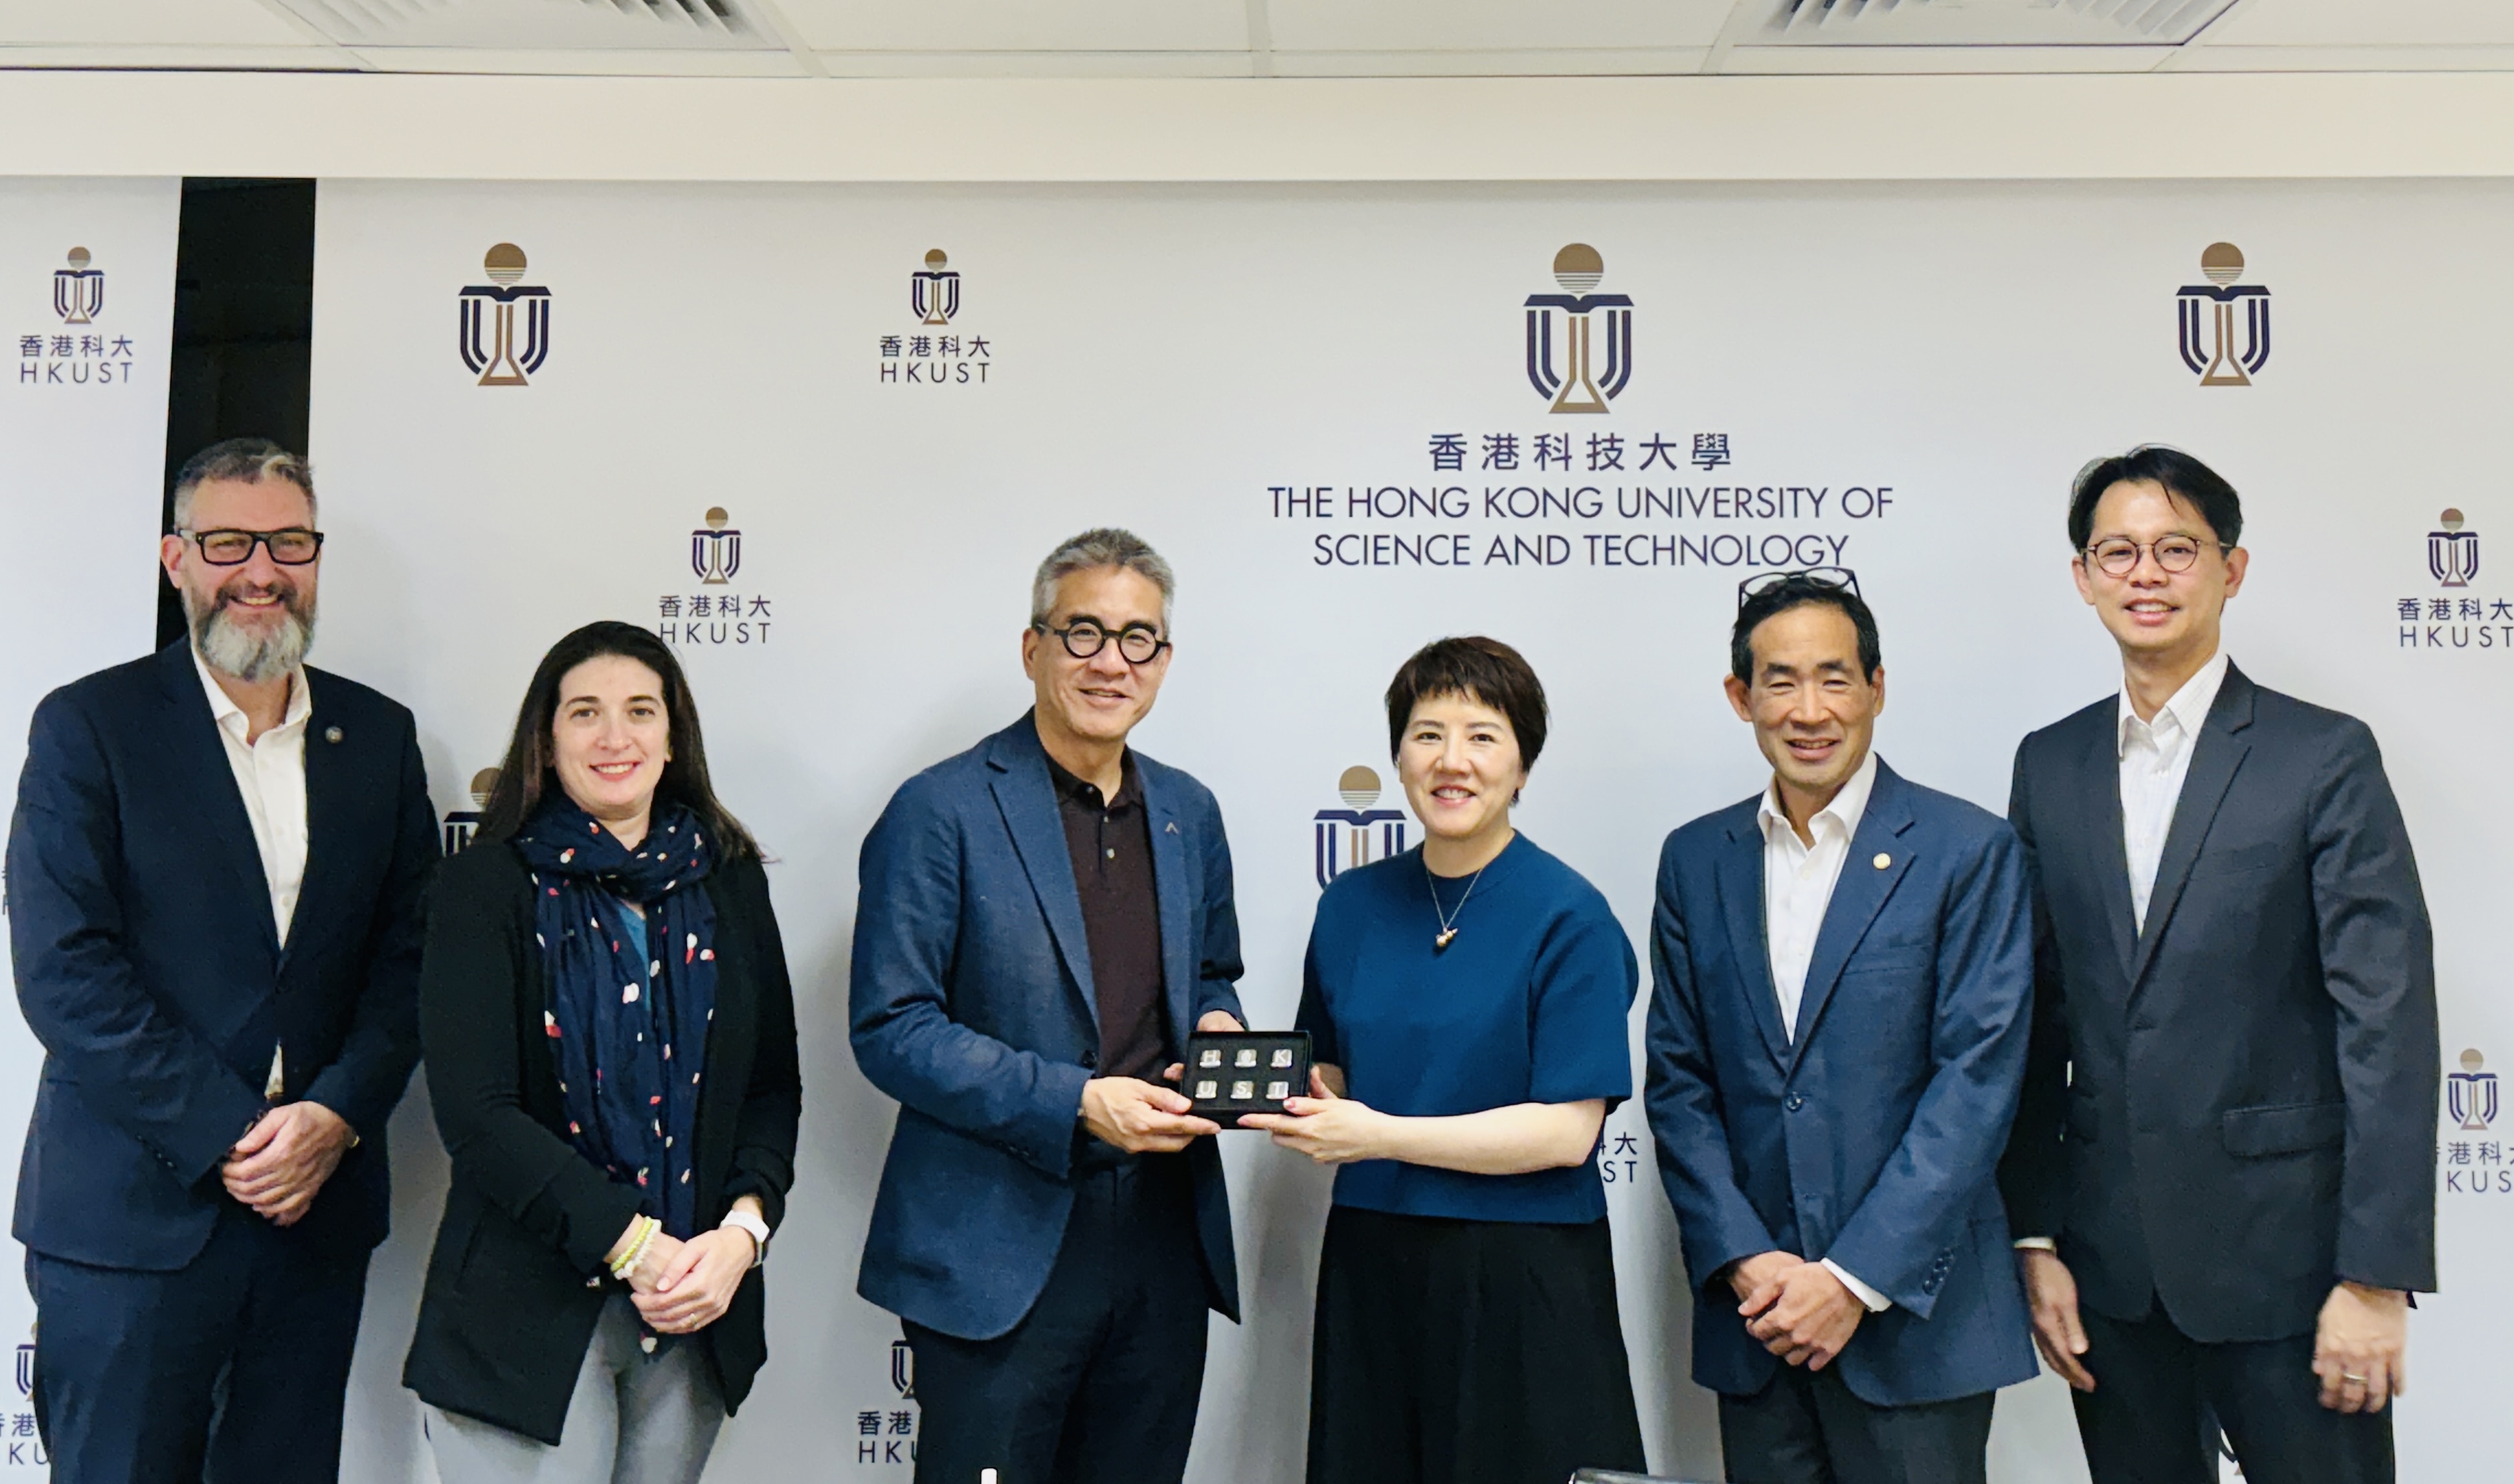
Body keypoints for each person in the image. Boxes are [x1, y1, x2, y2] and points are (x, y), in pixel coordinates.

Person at [1998, 448, 2437, 1484]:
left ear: (2229, 569)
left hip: (2290, 1269)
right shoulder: (2045, 763)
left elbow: (2385, 1019)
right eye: (2117, 551)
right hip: (2109, 1271)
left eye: (2174, 548)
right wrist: (2031, 1235)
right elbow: (2030, 1019)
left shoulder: (2319, 755)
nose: (2143, 573)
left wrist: (2373, 1275)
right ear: (2082, 577)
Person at [7, 438, 436, 1483]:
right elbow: (66, 969)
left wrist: (333, 1115)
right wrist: (236, 1133)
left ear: (316, 556)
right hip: (132, 1219)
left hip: (314, 1214)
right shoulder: (91, 727)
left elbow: (413, 959)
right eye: (228, 541)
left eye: (288, 541)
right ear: (176, 559)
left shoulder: (377, 736)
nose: (261, 570)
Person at [850, 529, 1247, 1484]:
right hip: (998, 1246)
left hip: (1161, 1238)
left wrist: (1219, 1025)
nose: (1111, 660)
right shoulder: (938, 808)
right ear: (1032, 648)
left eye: (1138, 638)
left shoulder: (1188, 809)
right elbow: (890, 1025)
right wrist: (1074, 1098)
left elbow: (1211, 970)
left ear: (1163, 660)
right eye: (1084, 632)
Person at [1643, 571, 2036, 1484]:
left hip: (1910, 1325)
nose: (1809, 708)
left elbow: (1975, 1080)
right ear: (1740, 697)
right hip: (1760, 1321)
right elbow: (1678, 1079)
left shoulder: (1965, 849)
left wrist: (1849, 1277)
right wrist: (1747, 1261)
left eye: (1833, 677)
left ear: (1875, 687)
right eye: (1779, 681)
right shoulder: (1695, 858)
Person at [403, 621, 801, 1483]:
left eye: (639, 710)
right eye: (585, 711)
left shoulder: (729, 877)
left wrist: (739, 1235)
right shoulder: (486, 884)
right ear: (546, 738)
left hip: (694, 1313)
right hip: (524, 1320)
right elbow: (477, 1114)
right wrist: (635, 1244)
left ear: (672, 735)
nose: (614, 736)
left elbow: (771, 1088)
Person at [1248, 635, 1645, 1484]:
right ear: (1397, 756)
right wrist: (1270, 1088)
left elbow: (1565, 1133)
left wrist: (1377, 1134)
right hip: (1373, 1257)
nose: (1451, 760)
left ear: (1523, 766)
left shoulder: (1568, 914)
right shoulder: (1350, 905)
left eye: (1483, 735)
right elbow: (1335, 1071)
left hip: (1523, 1271)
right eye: (1427, 734)